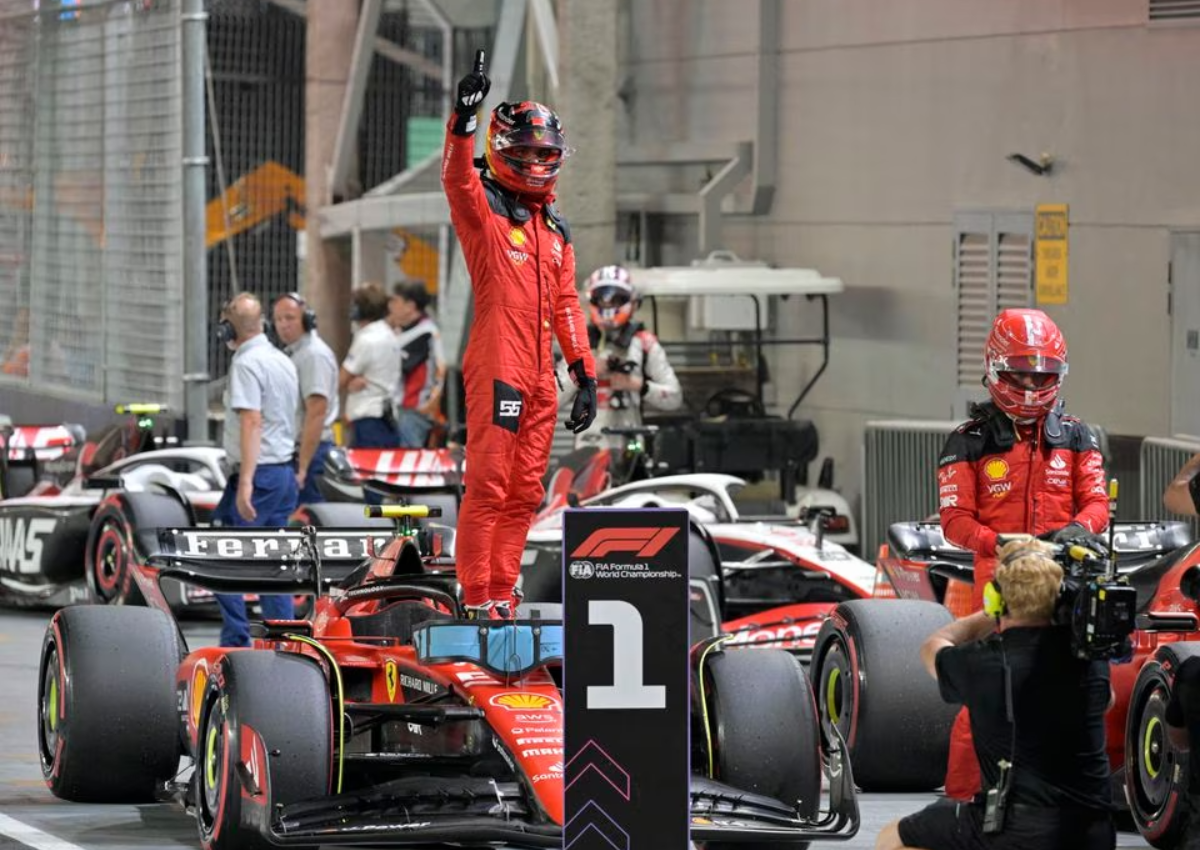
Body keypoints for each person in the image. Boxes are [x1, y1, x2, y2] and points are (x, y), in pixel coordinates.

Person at [442, 53, 597, 620]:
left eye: (544, 153)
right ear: (503, 150)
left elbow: (566, 302)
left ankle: (503, 594)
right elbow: (457, 179)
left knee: (526, 492)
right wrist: (462, 120)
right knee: (487, 485)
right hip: (497, 365)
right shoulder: (483, 212)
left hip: (541, 377)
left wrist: (584, 371)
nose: (535, 161)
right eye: (525, 151)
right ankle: (476, 594)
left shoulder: (554, 229)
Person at [937, 307, 1109, 800]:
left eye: (1043, 374)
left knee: (1070, 693)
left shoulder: (1079, 436)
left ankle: (1057, 794)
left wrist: (1072, 534)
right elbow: (955, 522)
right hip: (999, 586)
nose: (1032, 385)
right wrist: (1004, 545)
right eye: (1020, 372)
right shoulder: (966, 442)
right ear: (994, 368)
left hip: (1066, 579)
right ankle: (967, 799)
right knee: (987, 699)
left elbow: (1098, 504)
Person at [877, 537, 1114, 850]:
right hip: (1094, 832)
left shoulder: (981, 663)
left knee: (893, 837)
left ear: (997, 599)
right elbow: (1106, 700)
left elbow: (932, 647)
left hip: (1019, 831)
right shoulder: (1089, 660)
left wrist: (989, 615)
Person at [213, 292, 301, 647]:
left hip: (259, 474)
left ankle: (236, 638)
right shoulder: (282, 360)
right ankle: (283, 637)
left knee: (223, 556)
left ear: (228, 330)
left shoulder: (247, 365)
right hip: (281, 471)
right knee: (273, 561)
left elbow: (251, 420)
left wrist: (246, 481)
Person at [557, 265, 682, 451]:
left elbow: (674, 398)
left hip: (630, 445)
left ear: (632, 301)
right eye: (602, 298)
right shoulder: (577, 344)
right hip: (587, 447)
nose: (608, 304)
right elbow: (551, 400)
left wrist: (638, 385)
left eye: (616, 299)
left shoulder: (644, 344)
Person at [272, 291, 339, 504]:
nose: (283, 324)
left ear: (306, 319)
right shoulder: (294, 353)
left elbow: (316, 412)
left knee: (312, 522)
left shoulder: (313, 355)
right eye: (278, 319)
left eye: (290, 318)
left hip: (311, 453)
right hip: (299, 451)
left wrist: (302, 467)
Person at [339, 281, 401, 448]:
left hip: (368, 421)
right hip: (388, 418)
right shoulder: (389, 335)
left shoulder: (366, 339)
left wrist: (349, 383)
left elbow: (341, 379)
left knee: (365, 472)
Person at [391, 280, 446, 448]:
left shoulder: (426, 333)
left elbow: (441, 370)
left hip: (414, 411)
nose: (391, 306)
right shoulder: (402, 331)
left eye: (396, 301)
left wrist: (429, 405)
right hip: (399, 409)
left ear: (410, 306)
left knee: (409, 462)